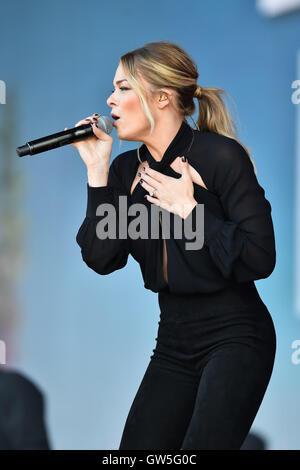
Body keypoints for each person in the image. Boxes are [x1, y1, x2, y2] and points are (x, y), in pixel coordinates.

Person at [72, 41, 276, 450]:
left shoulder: (219, 157)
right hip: (173, 340)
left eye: (123, 87)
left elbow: (260, 256)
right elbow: (101, 257)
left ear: (162, 98)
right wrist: (97, 174)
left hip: (236, 335)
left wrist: (187, 208)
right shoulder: (125, 171)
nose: (110, 99)